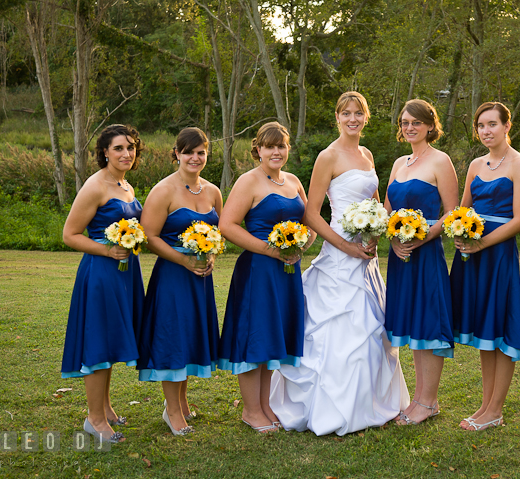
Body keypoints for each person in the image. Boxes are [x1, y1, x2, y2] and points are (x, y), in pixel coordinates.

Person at [270, 92, 410, 436]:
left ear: (366, 118)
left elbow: (375, 202)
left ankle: (369, 402)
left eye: (358, 113)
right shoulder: (327, 156)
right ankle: (329, 406)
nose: (352, 119)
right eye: (346, 113)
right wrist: (346, 246)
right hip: (338, 251)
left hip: (367, 255)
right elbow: (312, 214)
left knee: (369, 326)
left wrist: (377, 230)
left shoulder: (367, 154)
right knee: (337, 328)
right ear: (337, 117)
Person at [218, 122, 315, 433]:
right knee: (255, 335)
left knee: (273, 335)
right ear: (257, 149)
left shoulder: (294, 182)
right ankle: (250, 409)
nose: (276, 151)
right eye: (269, 146)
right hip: (258, 271)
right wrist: (270, 251)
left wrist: (303, 244)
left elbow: (310, 220)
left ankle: (264, 404)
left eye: (281, 146)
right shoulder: (249, 182)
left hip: (288, 272)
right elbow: (228, 225)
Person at [450, 102, 520, 431]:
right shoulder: (474, 165)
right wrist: (460, 232)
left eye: (492, 124)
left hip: (497, 255)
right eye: (481, 125)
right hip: (471, 254)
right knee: (485, 331)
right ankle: (485, 406)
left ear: (507, 126)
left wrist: (483, 242)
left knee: (501, 327)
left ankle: (496, 409)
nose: (486, 130)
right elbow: (462, 209)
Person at [61, 124, 145, 444]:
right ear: (105, 152)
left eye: (131, 147)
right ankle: (94, 420)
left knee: (109, 341)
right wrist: (108, 250)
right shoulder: (95, 186)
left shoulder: (126, 186)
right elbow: (70, 234)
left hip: (125, 272)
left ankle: (106, 408)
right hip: (100, 272)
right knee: (98, 343)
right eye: (119, 148)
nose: (126, 153)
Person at [136, 127, 223, 436]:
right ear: (176, 153)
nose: (195, 158)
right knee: (173, 338)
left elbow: (219, 231)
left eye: (200, 152)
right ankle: (171, 411)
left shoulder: (213, 191)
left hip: (201, 279)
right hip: (173, 276)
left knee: (188, 336)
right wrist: (184, 259)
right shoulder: (163, 190)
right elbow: (149, 237)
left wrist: (210, 253)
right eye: (188, 152)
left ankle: (183, 402)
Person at [384, 99, 458, 426]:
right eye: (404, 122)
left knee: (428, 323)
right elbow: (386, 208)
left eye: (416, 122)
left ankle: (429, 401)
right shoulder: (400, 162)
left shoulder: (441, 161)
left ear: (430, 125)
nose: (409, 127)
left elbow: (453, 213)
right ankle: (418, 399)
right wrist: (392, 239)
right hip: (399, 257)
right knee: (413, 326)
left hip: (425, 253)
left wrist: (419, 237)